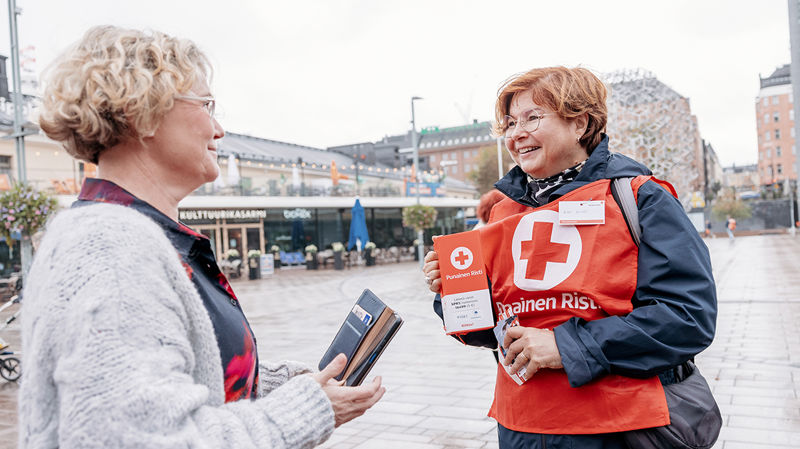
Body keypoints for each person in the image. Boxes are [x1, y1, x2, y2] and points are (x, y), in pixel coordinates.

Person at [21, 26, 383, 449]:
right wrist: (308, 410)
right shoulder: (113, 247)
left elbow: (180, 384)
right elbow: (145, 438)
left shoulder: (132, 231)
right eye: (206, 104)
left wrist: (280, 385)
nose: (219, 128)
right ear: (144, 112)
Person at [423, 66, 716, 449]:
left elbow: (687, 317)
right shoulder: (502, 213)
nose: (516, 133)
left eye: (532, 117)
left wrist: (565, 346)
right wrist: (454, 293)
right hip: (522, 428)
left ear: (579, 123)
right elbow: (489, 329)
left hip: (619, 429)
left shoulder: (640, 199)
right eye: (510, 123)